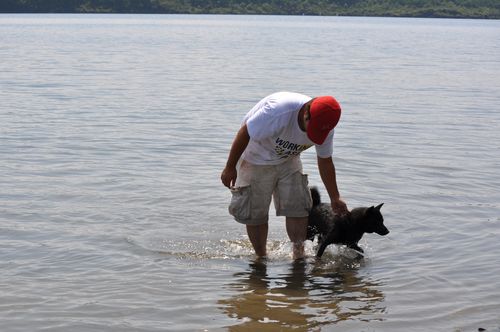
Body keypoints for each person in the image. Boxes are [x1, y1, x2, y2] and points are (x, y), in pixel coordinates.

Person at [220, 92, 348, 259]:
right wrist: (230, 167)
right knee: (256, 214)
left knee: (298, 207)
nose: (313, 135)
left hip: (288, 159)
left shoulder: (326, 125)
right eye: (313, 129)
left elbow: (325, 161)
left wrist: (335, 197)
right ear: (306, 113)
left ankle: (298, 256)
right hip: (255, 158)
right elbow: (245, 132)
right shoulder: (278, 111)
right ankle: (261, 258)